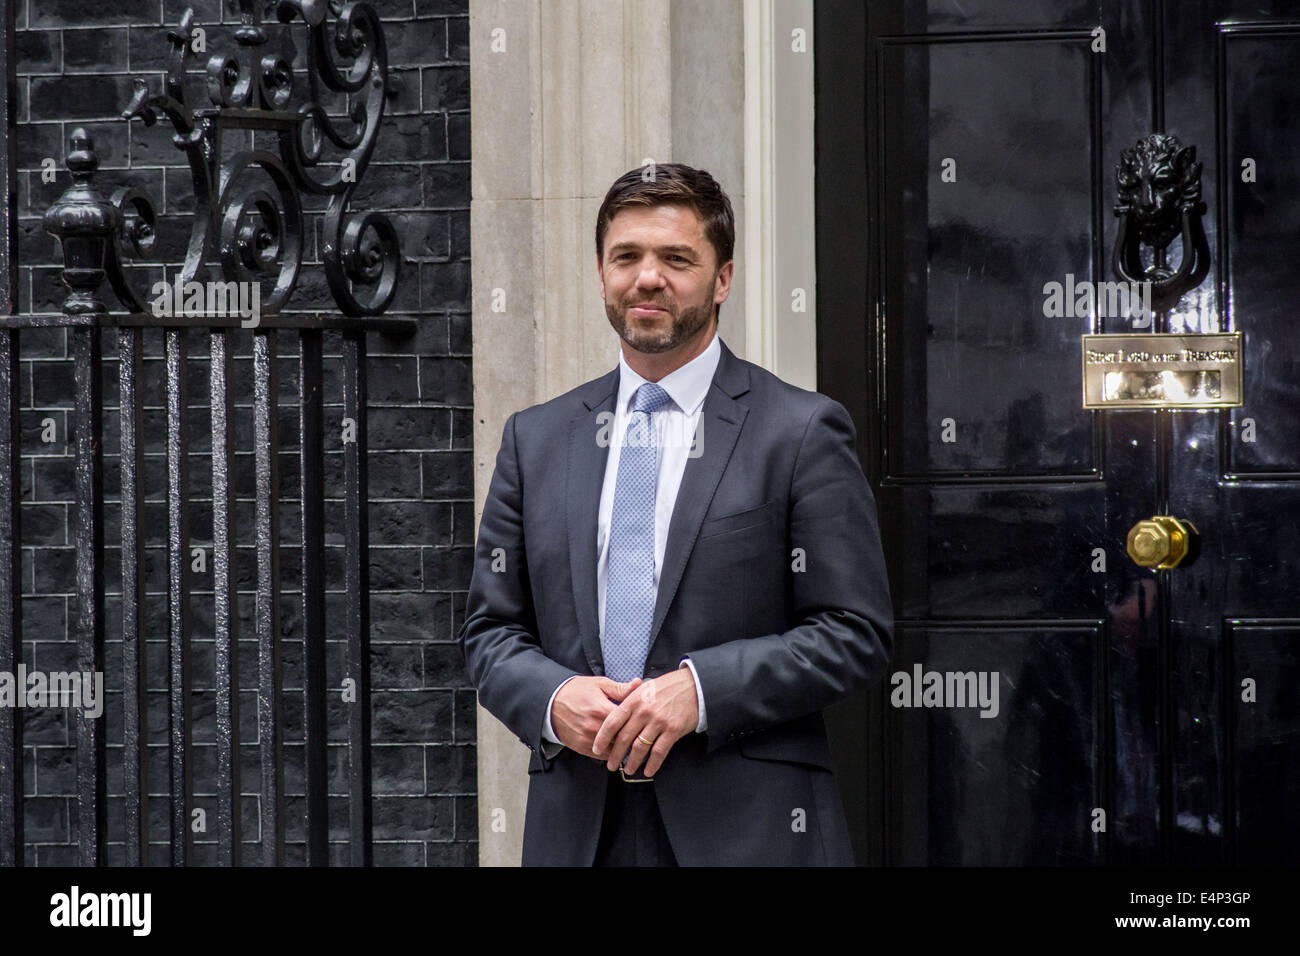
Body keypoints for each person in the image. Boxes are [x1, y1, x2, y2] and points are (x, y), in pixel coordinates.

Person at [458, 163, 893, 866]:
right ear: (601, 274)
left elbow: (856, 633)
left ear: (722, 279)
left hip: (748, 831)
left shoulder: (802, 431)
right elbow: (489, 633)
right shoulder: (535, 439)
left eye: (676, 258)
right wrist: (554, 696)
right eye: (626, 256)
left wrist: (699, 691)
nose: (648, 278)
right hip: (579, 826)